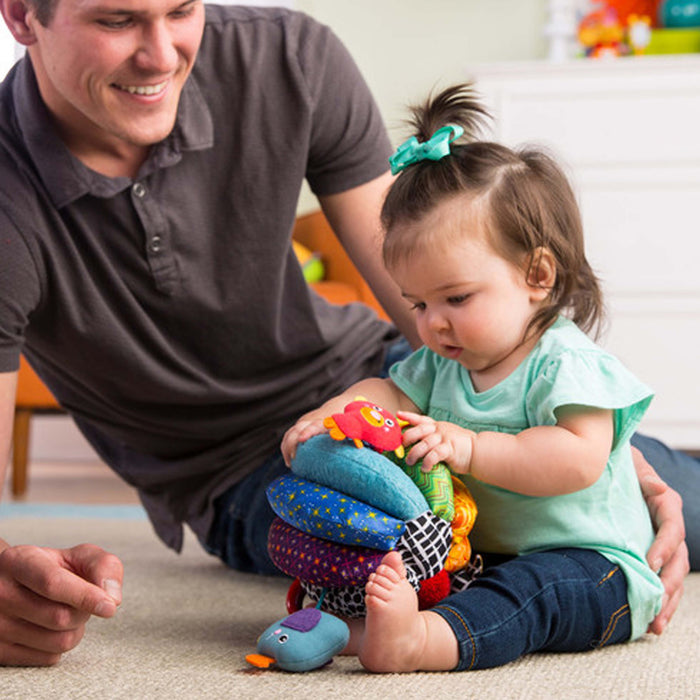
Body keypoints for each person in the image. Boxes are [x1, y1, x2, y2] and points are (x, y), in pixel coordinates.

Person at [0, 0, 688, 669]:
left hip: (429, 391)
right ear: (23, 16)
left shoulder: (289, 57)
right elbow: (429, 314)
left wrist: (598, 445)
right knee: (400, 531)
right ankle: (425, 629)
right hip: (249, 463)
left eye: (182, 9)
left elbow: (445, 309)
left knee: (674, 493)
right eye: (116, 20)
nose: (162, 52)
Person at [281, 83, 685, 673]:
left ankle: (418, 644)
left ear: (537, 274)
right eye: (417, 305)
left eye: (456, 297)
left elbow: (578, 459)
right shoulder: (443, 360)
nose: (433, 324)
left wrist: (469, 445)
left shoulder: (565, 363)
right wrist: (334, 414)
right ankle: (360, 622)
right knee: (427, 573)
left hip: (593, 565)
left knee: (529, 595)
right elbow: (387, 392)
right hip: (483, 554)